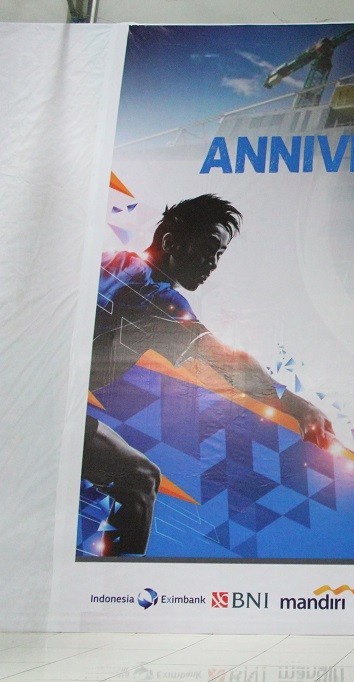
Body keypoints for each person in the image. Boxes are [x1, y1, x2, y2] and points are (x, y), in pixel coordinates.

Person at [83, 194, 334, 556]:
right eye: (207, 249)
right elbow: (229, 364)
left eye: (219, 254)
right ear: (171, 242)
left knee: (141, 480)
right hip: (51, 411)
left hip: (52, 401)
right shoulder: (159, 297)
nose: (213, 264)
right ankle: (118, 579)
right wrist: (301, 407)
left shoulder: (106, 261)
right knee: (142, 482)